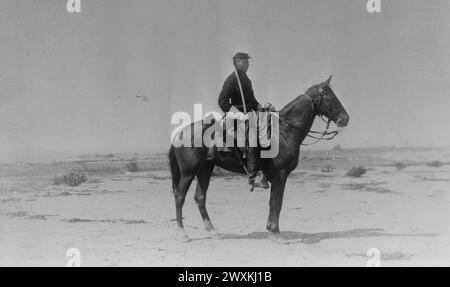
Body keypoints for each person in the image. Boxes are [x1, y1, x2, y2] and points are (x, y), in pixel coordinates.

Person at [217, 52, 271, 190]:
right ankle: (254, 176)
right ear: (236, 63)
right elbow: (222, 101)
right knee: (252, 137)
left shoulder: (246, 80)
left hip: (250, 113)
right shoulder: (232, 79)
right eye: (244, 62)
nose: (247, 64)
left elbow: (252, 100)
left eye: (248, 62)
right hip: (237, 116)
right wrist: (239, 115)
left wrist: (261, 106)